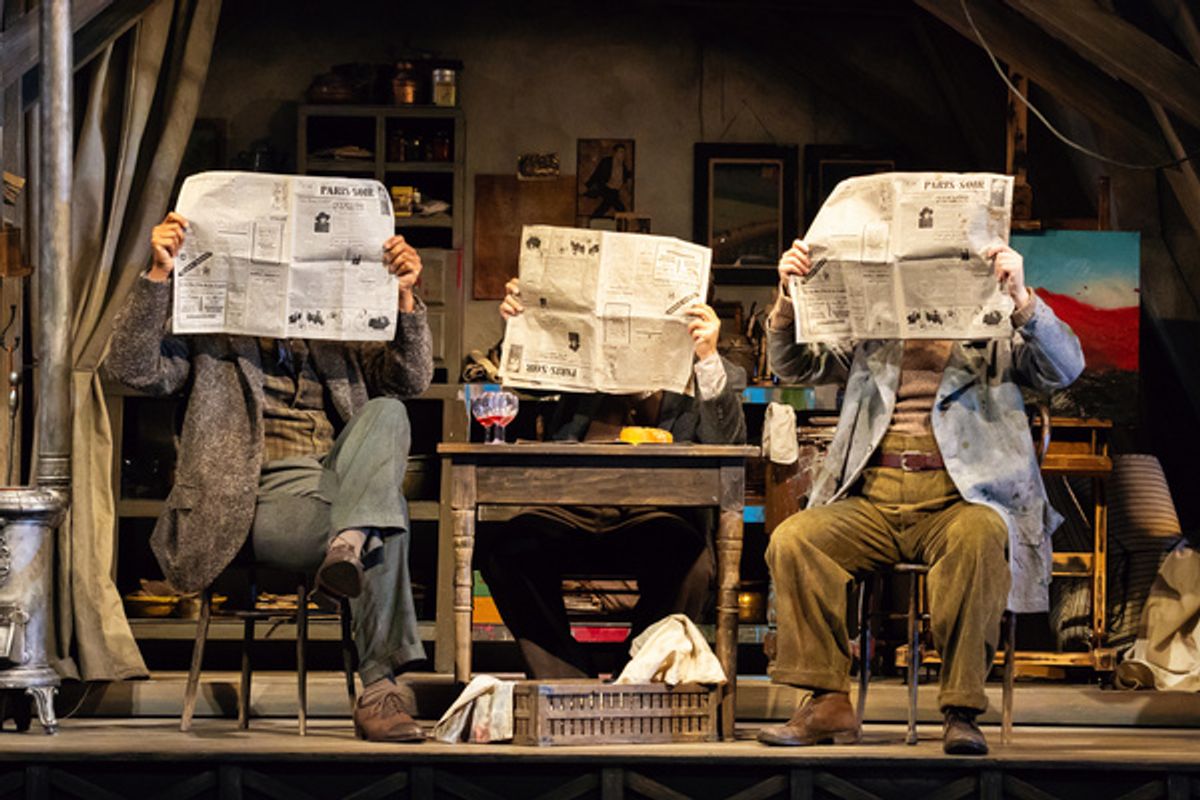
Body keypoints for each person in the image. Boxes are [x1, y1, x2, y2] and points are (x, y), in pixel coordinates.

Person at [106, 212, 433, 742]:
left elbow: (410, 381)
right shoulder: (211, 330)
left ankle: (350, 540)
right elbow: (132, 369)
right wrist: (158, 276)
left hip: (335, 484)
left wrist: (405, 298)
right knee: (386, 516)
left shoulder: (333, 329)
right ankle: (381, 688)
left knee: (390, 414)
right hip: (249, 496)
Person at [758, 239, 1084, 755]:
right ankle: (828, 701)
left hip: (961, 495)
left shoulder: (996, 320)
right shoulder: (876, 318)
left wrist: (1022, 299)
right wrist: (788, 301)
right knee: (797, 539)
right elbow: (798, 367)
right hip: (875, 495)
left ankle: (961, 710)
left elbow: (1064, 368)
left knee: (980, 537)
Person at [478, 277, 747, 678]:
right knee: (502, 549)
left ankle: (639, 671)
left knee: (693, 559)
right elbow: (522, 383)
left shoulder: (713, 370)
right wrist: (522, 325)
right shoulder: (584, 348)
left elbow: (728, 443)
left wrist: (706, 357)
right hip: (572, 508)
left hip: (657, 514)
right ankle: (565, 674)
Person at [583, 143, 632, 219]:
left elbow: (625, 177)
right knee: (619, 207)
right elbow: (597, 174)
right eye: (621, 152)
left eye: (624, 153)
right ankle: (595, 219)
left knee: (607, 204)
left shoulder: (623, 167)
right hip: (605, 188)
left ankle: (593, 219)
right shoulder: (607, 162)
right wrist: (587, 185)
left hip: (615, 191)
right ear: (615, 153)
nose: (623, 155)